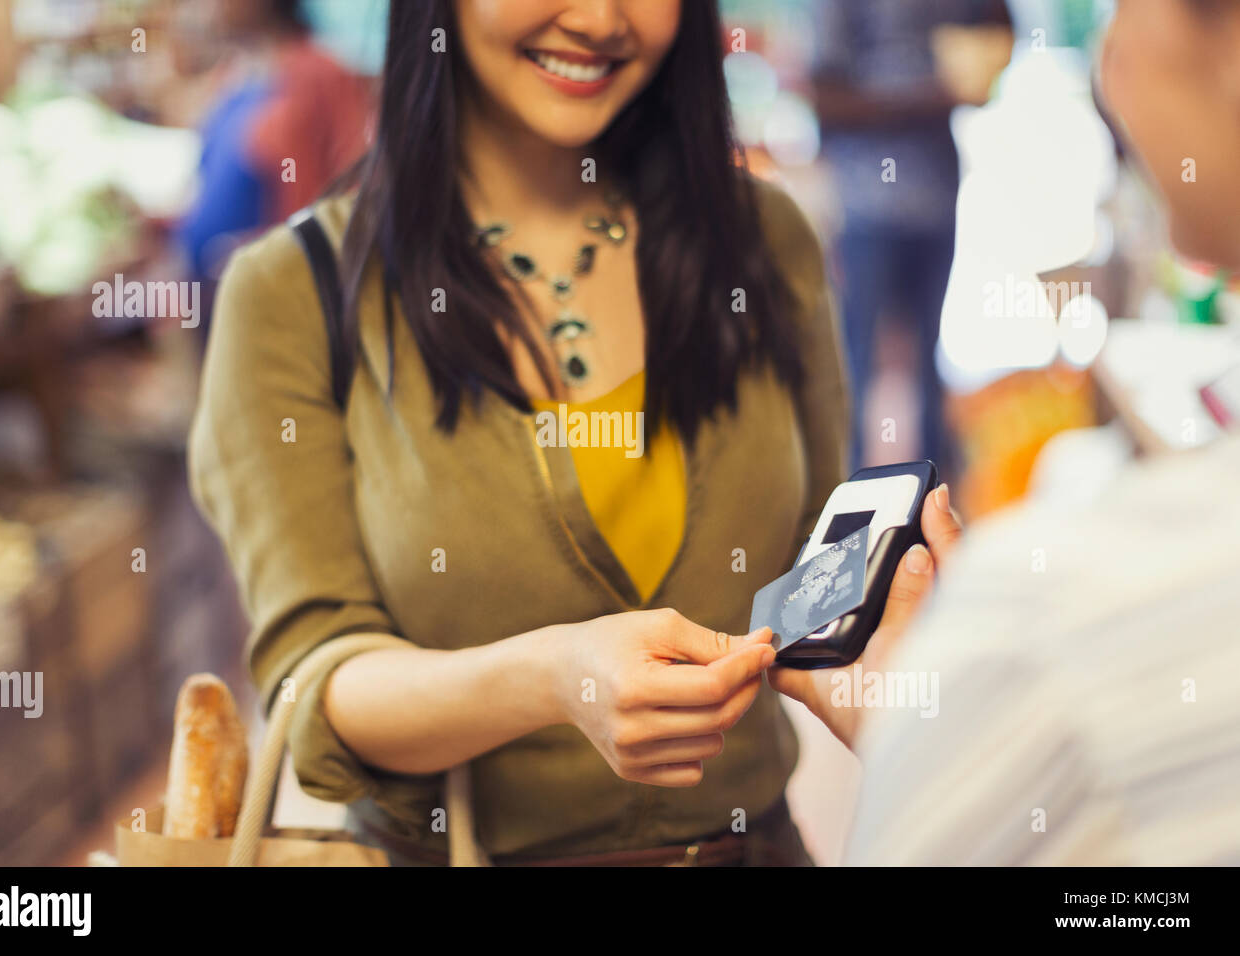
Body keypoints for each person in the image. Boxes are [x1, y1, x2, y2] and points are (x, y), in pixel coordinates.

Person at [189, 0, 856, 866]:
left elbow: (814, 563)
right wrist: (549, 679)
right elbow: (313, 679)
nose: (601, 18)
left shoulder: (762, 239)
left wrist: (889, 640)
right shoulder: (293, 294)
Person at [773, 0, 1240, 865]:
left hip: (931, 199)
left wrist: (967, 715)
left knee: (913, 426)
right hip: (881, 206)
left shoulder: (1046, 624)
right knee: (866, 387)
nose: (1108, 58)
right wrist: (949, 733)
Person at [809, 0, 1013, 472]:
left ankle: (936, 500)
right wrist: (931, 97)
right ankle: (852, 500)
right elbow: (825, 95)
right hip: (866, 204)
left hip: (937, 198)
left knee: (931, 357)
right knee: (856, 363)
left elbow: (998, 39)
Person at [176, 0, 371, 294]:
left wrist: (266, 254)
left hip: (281, 300)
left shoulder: (321, 75)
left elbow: (349, 197)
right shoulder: (233, 75)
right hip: (218, 299)